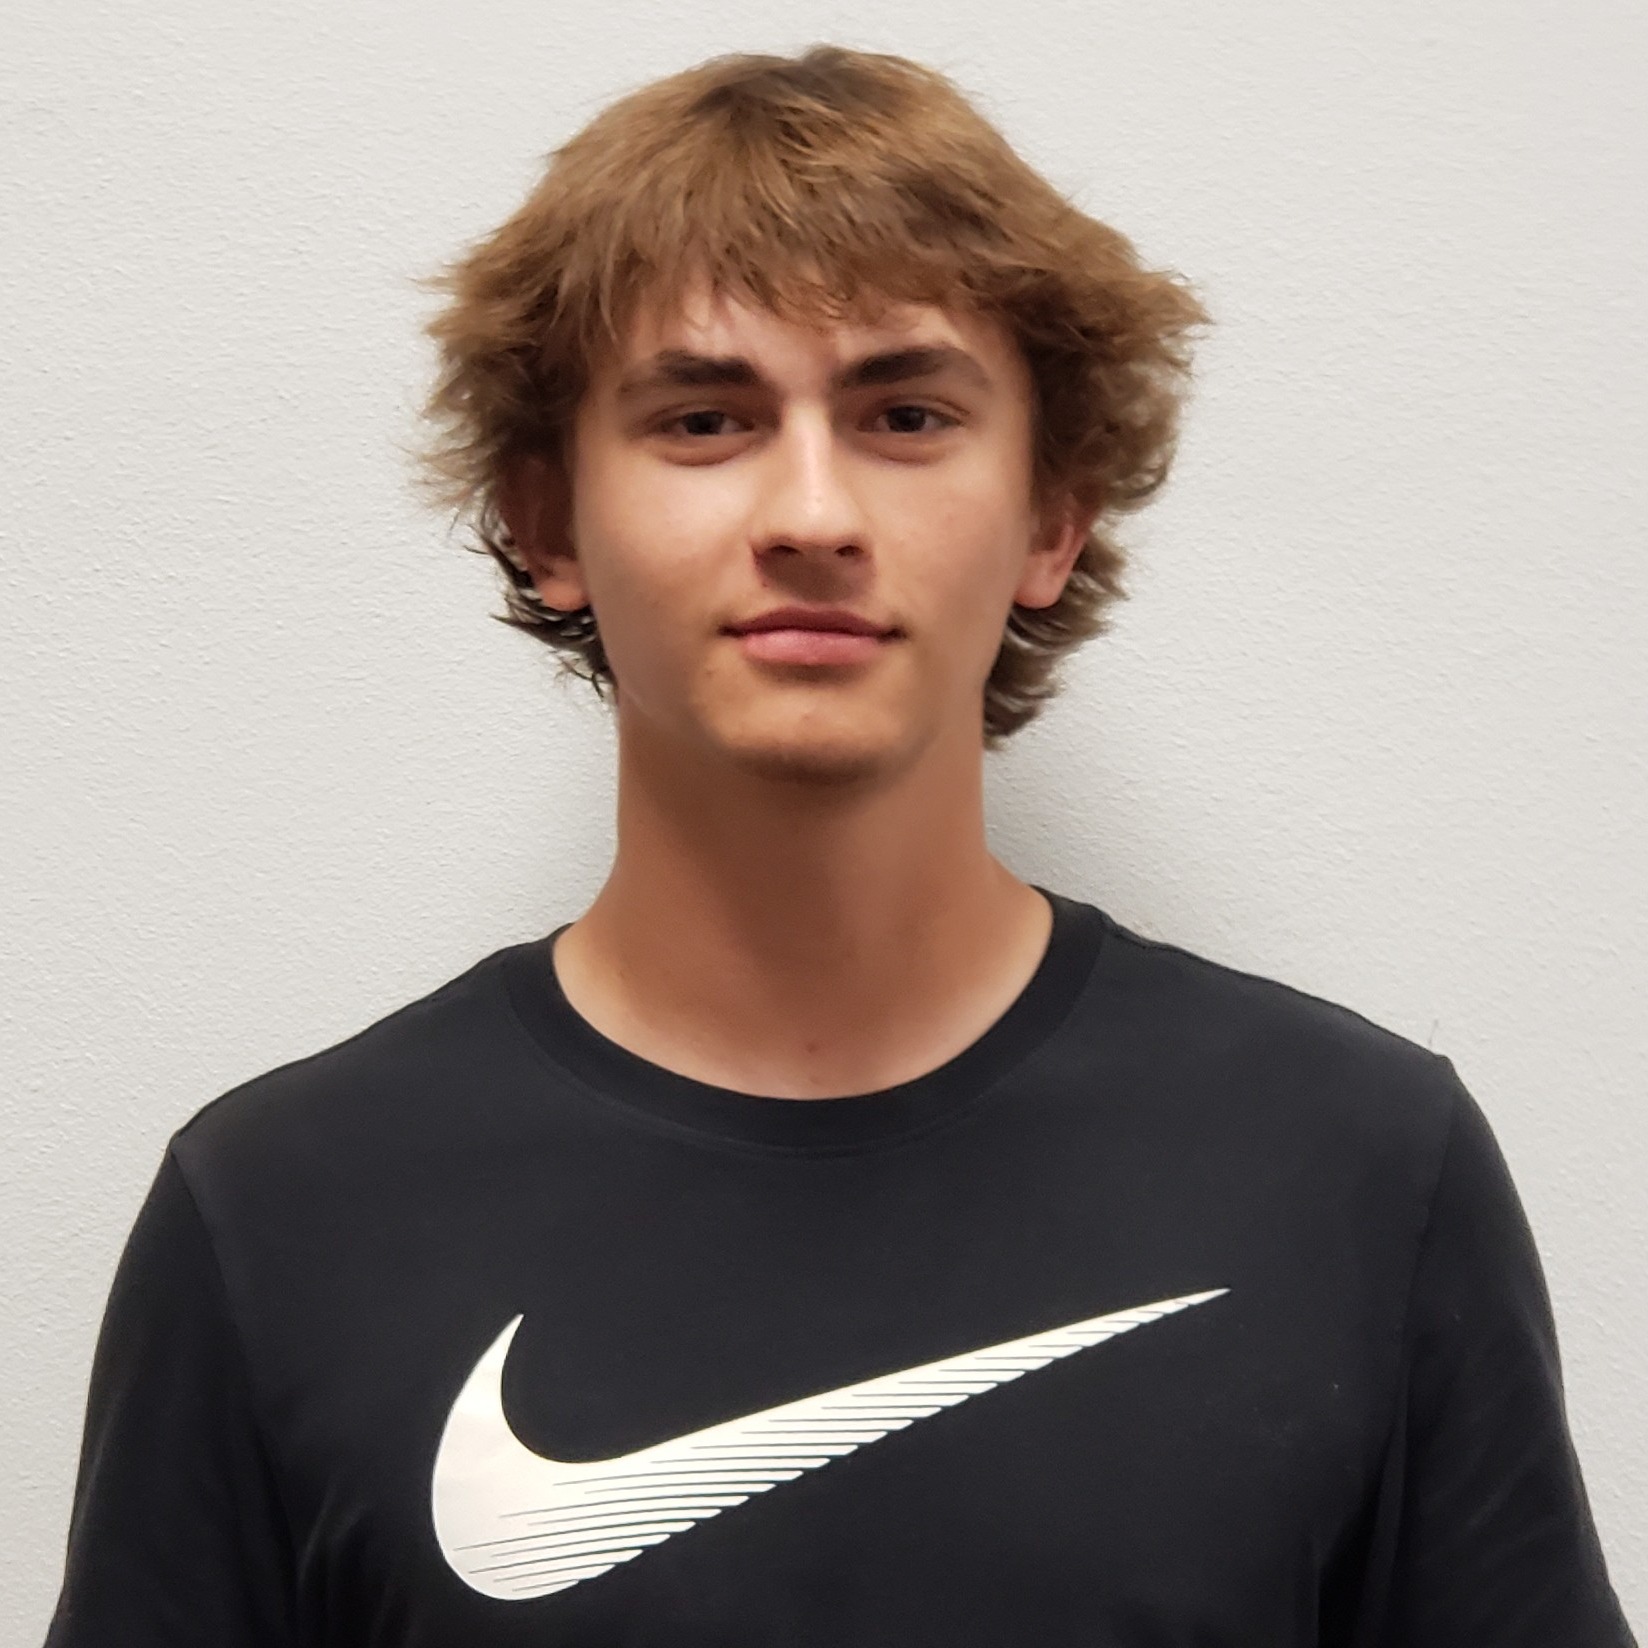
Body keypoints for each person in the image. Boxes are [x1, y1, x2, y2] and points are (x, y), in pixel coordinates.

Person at [45, 43, 1635, 1648]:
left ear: (1050, 515)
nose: (812, 510)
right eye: (706, 417)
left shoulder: (1357, 1167)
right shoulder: (281, 1213)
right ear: (546, 524)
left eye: (905, 411)